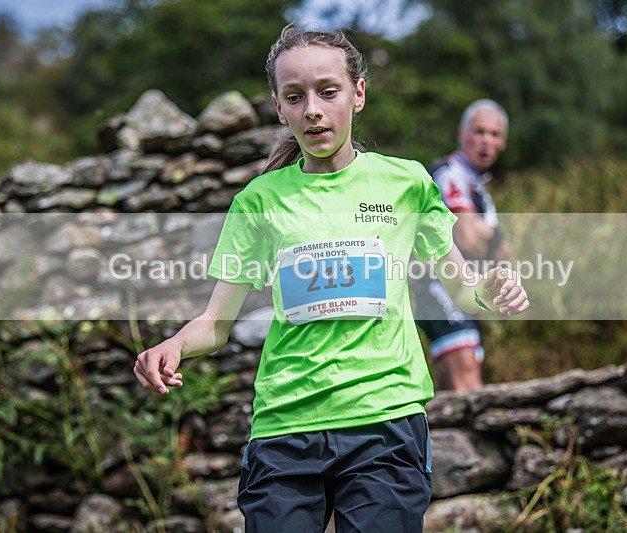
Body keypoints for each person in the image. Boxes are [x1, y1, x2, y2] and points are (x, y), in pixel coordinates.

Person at [133, 25, 529, 533]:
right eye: (295, 97)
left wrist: (492, 290)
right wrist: (174, 346)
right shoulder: (258, 202)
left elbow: (459, 287)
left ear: (358, 93)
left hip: (385, 423)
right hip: (284, 431)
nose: (312, 110)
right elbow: (215, 322)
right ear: (279, 107)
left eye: (328, 91)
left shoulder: (406, 183)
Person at [413, 99, 511, 391]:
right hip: (431, 281)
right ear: (462, 134)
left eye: (494, 134)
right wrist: (495, 237)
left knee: (451, 381)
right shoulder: (451, 174)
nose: (485, 141)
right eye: (478, 131)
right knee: (466, 375)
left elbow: (504, 258)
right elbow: (469, 239)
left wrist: (492, 241)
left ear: (503, 142)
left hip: (461, 286)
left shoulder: (478, 187)